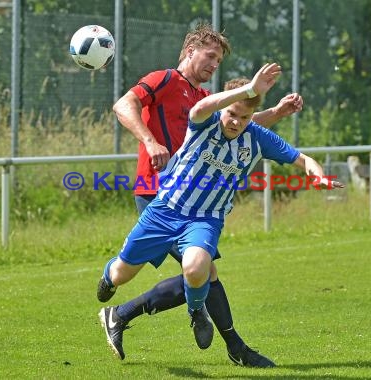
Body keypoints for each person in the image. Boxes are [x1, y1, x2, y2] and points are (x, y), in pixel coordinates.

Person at [97, 61, 344, 365]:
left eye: (244, 117)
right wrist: (250, 89)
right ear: (224, 107)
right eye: (232, 113)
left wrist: (316, 175)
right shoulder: (204, 120)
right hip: (165, 210)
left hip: (205, 219)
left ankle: (196, 312)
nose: (236, 122)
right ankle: (110, 281)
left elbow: (302, 158)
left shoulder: (256, 137)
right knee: (122, 273)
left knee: (198, 266)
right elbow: (206, 105)